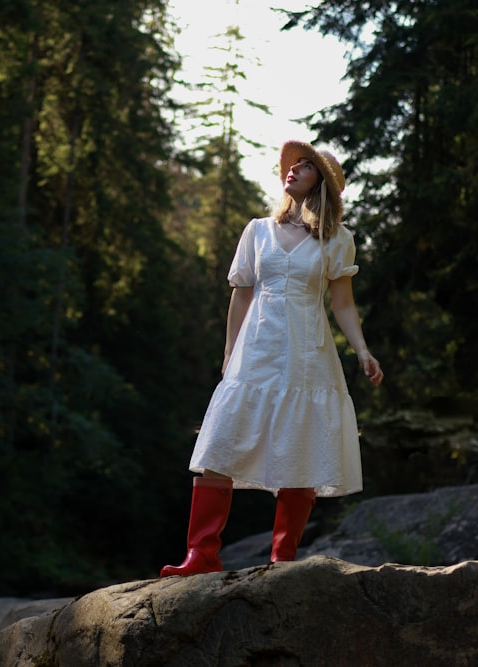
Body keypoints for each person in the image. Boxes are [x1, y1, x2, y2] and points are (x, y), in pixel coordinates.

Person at [161, 140, 383, 577]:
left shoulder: (337, 239)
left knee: (299, 450)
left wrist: (362, 350)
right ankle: (202, 554)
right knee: (218, 445)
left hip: (307, 355)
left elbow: (342, 304)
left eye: (306, 167)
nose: (293, 170)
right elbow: (241, 295)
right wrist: (229, 352)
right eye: (292, 165)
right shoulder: (257, 231)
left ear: (322, 182)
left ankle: (282, 560)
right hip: (255, 352)